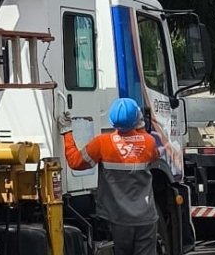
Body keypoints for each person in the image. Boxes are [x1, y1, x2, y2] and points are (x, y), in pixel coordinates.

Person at [59, 97, 161, 255]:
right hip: (146, 218)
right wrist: (139, 129)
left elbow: (75, 162)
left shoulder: (102, 143)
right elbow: (153, 157)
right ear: (137, 119)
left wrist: (66, 132)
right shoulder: (149, 142)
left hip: (118, 219)